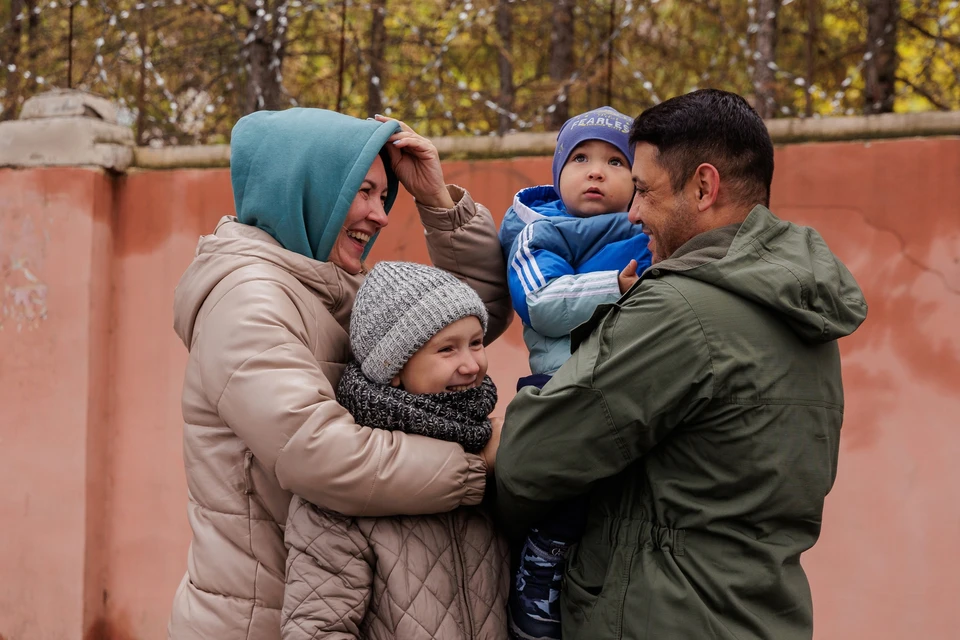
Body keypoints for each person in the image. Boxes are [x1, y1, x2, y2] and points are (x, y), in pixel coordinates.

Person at [494, 89, 868, 640]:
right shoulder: (801, 304)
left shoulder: (679, 309)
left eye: (642, 189)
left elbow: (530, 460)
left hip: (660, 614)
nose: (634, 210)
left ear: (703, 186)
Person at [167, 108, 511, 640]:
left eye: (383, 196)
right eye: (364, 192)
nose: (380, 215)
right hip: (257, 620)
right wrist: (475, 466)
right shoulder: (247, 299)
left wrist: (437, 203)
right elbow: (320, 453)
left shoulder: (325, 282)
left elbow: (463, 320)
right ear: (306, 187)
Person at [282, 261, 510, 640]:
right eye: (447, 349)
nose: (471, 365)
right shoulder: (345, 489)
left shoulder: (489, 446)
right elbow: (318, 628)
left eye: (476, 342)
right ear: (394, 368)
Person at [497, 106, 650, 640]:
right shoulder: (540, 232)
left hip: (622, 382)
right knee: (560, 497)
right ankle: (539, 567)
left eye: (615, 161)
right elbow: (540, 301)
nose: (596, 171)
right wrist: (614, 287)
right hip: (559, 384)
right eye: (580, 158)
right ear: (558, 171)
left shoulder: (644, 229)